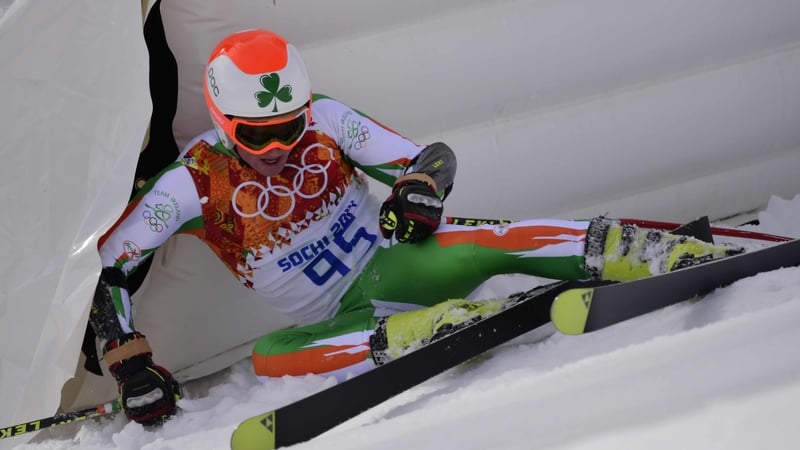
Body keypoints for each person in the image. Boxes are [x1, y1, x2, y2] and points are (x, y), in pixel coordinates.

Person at [88, 29, 742, 426]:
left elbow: (427, 158)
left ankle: (648, 251)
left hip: (392, 262)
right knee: (268, 357)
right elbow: (110, 265)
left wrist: (419, 193)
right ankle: (429, 332)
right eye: (257, 134)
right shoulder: (192, 179)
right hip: (343, 317)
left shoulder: (327, 119)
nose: (279, 144)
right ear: (224, 119)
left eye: (289, 125)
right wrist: (133, 367)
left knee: (494, 241)